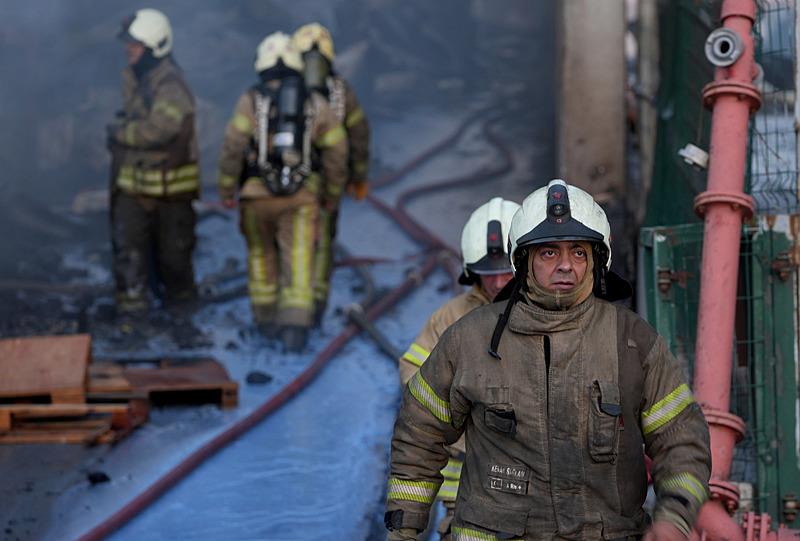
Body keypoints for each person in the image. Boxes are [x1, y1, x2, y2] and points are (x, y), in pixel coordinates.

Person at [385, 179, 711, 540]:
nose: (566, 266)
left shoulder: (633, 341)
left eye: (578, 252)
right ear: (523, 261)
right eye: (549, 252)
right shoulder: (469, 340)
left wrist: (675, 517)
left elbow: (681, 440)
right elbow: (418, 436)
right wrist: (403, 531)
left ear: (597, 260)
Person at [217, 32, 348, 352]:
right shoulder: (315, 104)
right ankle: (295, 330)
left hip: (255, 197)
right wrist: (331, 192)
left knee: (261, 256)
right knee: (299, 258)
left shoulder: (250, 100)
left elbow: (232, 146)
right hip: (301, 199)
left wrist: (226, 187)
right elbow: (337, 149)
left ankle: (265, 321)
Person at [398, 197, 520, 540]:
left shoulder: (547, 314)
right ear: (471, 270)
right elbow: (413, 371)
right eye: (489, 274)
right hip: (463, 487)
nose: (498, 284)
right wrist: (450, 419)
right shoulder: (449, 318)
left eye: (506, 272)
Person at [108, 8, 200, 313]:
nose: (128, 49)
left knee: (174, 260)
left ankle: (182, 316)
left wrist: (123, 134)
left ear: (154, 47)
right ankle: (132, 320)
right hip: (134, 190)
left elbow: (161, 128)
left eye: (135, 45)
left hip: (170, 193)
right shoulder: (136, 79)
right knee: (130, 256)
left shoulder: (170, 84)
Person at [291, 23, 371, 326]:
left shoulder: (283, 90)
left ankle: (290, 315)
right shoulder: (341, 92)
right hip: (326, 187)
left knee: (291, 245)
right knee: (321, 246)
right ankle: (311, 311)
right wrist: (358, 175)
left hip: (291, 187)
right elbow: (359, 134)